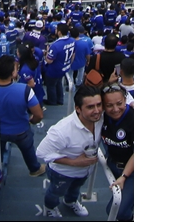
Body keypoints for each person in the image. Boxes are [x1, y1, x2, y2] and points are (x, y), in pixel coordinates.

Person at [37, 84, 105, 218]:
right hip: (62, 173)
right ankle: (49, 207)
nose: (97, 110)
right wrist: (74, 162)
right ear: (78, 109)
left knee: (75, 190)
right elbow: (41, 152)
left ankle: (70, 202)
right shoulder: (62, 130)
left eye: (99, 105)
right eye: (90, 107)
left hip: (85, 171)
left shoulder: (101, 118)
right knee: (55, 192)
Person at [100, 84, 134, 220]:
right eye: (109, 105)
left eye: (119, 103)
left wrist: (124, 176)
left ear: (125, 100)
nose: (115, 109)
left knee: (115, 211)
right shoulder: (101, 117)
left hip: (131, 172)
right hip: (113, 165)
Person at [42, 23, 75, 106]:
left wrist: (47, 53)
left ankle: (52, 101)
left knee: (51, 85)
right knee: (59, 83)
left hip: (54, 69)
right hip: (65, 67)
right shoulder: (72, 41)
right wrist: (68, 64)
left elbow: (49, 61)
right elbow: (73, 54)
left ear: (59, 32)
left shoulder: (56, 45)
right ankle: (60, 99)